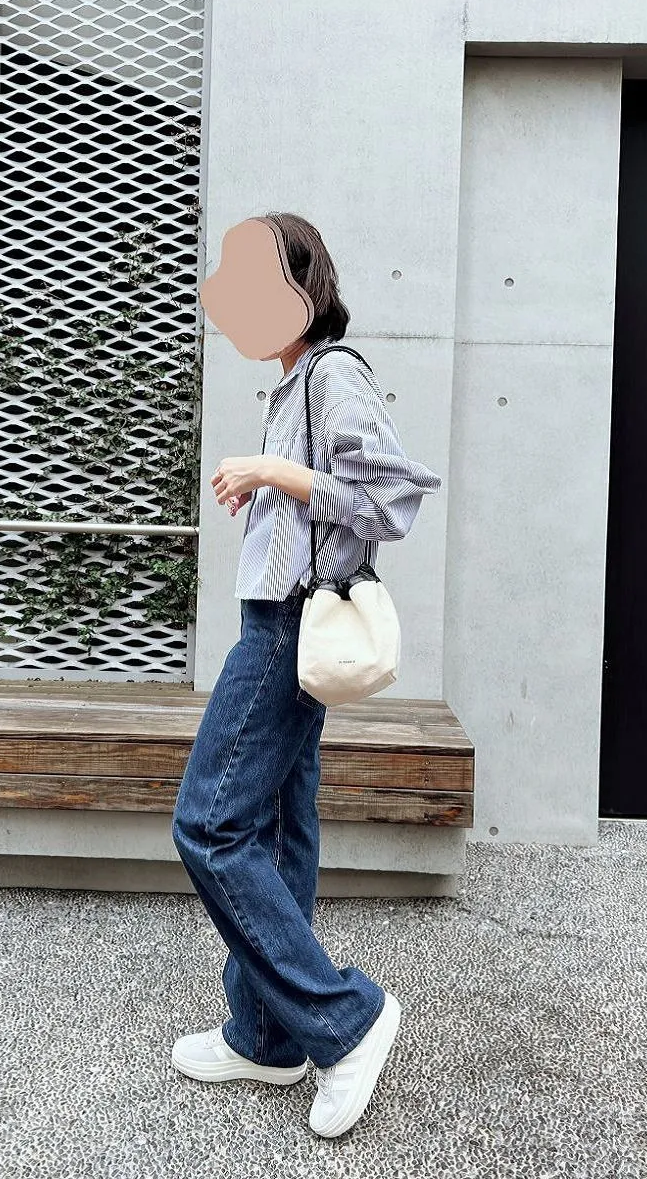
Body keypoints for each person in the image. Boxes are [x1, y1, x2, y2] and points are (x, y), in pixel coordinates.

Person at [170, 211, 442, 1138]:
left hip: (291, 625)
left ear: (300, 287)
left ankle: (346, 1021)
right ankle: (266, 1039)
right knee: (280, 829)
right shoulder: (292, 383)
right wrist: (269, 480)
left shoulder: (333, 374)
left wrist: (275, 473)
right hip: (277, 617)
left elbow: (389, 499)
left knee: (209, 824)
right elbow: (326, 500)